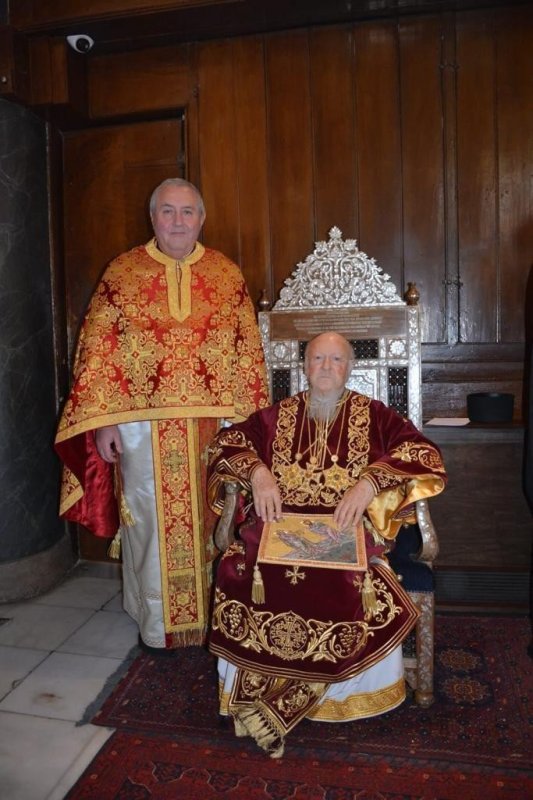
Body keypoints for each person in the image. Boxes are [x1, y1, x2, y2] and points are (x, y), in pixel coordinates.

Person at [206, 331, 447, 757]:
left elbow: (422, 452)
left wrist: (370, 484)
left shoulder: (375, 415)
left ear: (350, 367)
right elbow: (228, 442)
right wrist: (260, 473)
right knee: (243, 567)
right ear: (305, 366)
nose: (326, 367)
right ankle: (262, 690)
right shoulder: (275, 416)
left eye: (336, 360)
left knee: (346, 580)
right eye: (318, 359)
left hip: (348, 529)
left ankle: (275, 708)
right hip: (277, 527)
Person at [55, 178, 269, 654]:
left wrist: (248, 424)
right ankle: (158, 626)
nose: (178, 221)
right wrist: (104, 421)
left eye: (187, 212)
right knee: (150, 522)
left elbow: (248, 353)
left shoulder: (226, 274)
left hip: (213, 426)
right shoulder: (122, 273)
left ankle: (217, 618)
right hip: (139, 428)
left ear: (202, 218)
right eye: (168, 211)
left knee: (218, 517)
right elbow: (97, 352)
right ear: (152, 218)